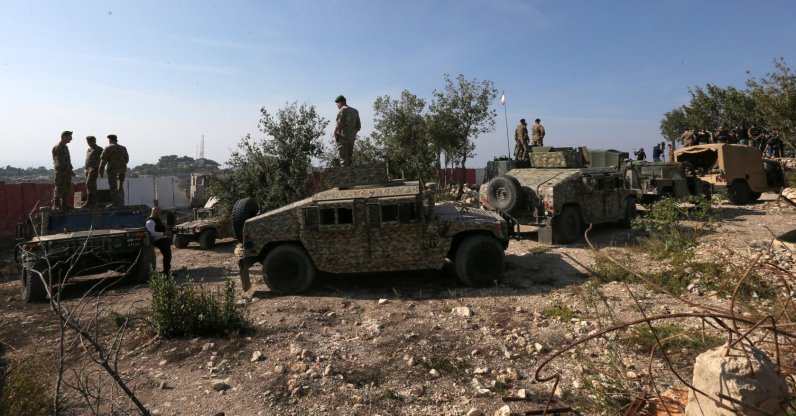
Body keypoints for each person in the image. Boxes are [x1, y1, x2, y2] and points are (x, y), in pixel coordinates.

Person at [98, 134, 129, 206]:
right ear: (116, 140)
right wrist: (121, 166)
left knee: (113, 186)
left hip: (112, 170)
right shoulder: (123, 148)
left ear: (110, 140)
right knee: (120, 186)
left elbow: (103, 161)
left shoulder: (108, 148)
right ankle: (121, 202)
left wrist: (101, 171)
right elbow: (126, 159)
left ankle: (115, 203)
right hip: (122, 169)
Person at [333, 95, 361, 167]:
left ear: (341, 102)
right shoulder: (355, 111)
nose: (337, 106)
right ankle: (351, 176)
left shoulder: (343, 110)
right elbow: (358, 126)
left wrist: (335, 132)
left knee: (343, 161)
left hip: (343, 138)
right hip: (351, 139)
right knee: (349, 159)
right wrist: (353, 133)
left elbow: (339, 123)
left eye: (337, 103)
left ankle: (344, 177)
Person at [52, 131, 76, 209]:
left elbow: (68, 160)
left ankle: (64, 204)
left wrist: (70, 170)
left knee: (66, 188)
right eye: (69, 137)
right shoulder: (57, 148)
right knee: (59, 187)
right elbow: (57, 162)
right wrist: (66, 170)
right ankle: (56, 204)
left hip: (66, 171)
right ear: (64, 137)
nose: (71, 139)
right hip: (60, 172)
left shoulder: (65, 147)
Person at [146, 206, 172, 275]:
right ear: (155, 211)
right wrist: (163, 233)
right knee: (167, 256)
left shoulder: (157, 219)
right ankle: (166, 273)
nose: (160, 213)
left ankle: (167, 271)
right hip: (158, 240)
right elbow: (151, 233)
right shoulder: (150, 221)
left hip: (163, 239)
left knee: (168, 256)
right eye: (159, 212)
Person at [83, 136, 103, 207]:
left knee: (89, 183)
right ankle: (91, 201)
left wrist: (100, 169)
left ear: (94, 141)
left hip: (94, 169)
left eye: (90, 141)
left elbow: (103, 160)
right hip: (87, 169)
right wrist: (85, 169)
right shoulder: (89, 149)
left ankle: (91, 201)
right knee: (89, 185)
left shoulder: (99, 149)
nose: (89, 143)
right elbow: (87, 160)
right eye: (88, 142)